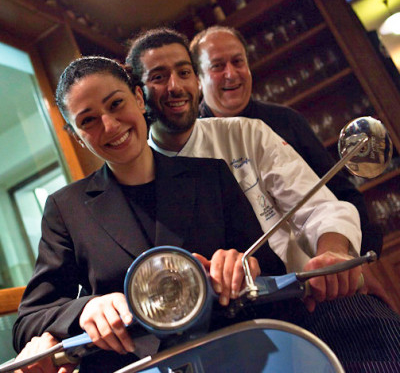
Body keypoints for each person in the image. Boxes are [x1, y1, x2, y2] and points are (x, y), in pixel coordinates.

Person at [125, 27, 400, 371]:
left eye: (183, 73)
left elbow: (323, 207)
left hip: (304, 297)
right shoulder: (138, 174)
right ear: (138, 94)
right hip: (218, 338)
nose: (175, 86)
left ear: (196, 81)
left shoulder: (247, 132)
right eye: (158, 77)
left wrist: (335, 252)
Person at [12, 56, 283, 373]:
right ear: (76, 136)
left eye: (116, 104)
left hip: (232, 357)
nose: (110, 126)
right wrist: (85, 308)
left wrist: (245, 267)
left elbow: (272, 270)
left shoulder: (211, 176)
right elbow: (28, 321)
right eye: (88, 121)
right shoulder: (65, 208)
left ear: (139, 99)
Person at [188, 25, 398, 310]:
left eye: (238, 62)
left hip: (320, 276)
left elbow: (341, 194)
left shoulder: (286, 121)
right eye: (217, 66)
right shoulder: (191, 144)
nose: (231, 74)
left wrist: (354, 257)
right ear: (198, 80)